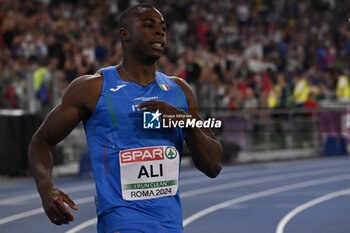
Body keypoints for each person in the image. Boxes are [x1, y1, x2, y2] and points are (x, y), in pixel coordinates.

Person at [28, 4, 222, 233]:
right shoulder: (92, 89)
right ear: (124, 34)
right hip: (122, 223)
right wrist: (45, 187)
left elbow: (213, 165)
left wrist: (183, 121)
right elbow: (41, 141)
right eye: (149, 26)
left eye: (163, 28)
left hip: (170, 225)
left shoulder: (179, 91)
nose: (160, 32)